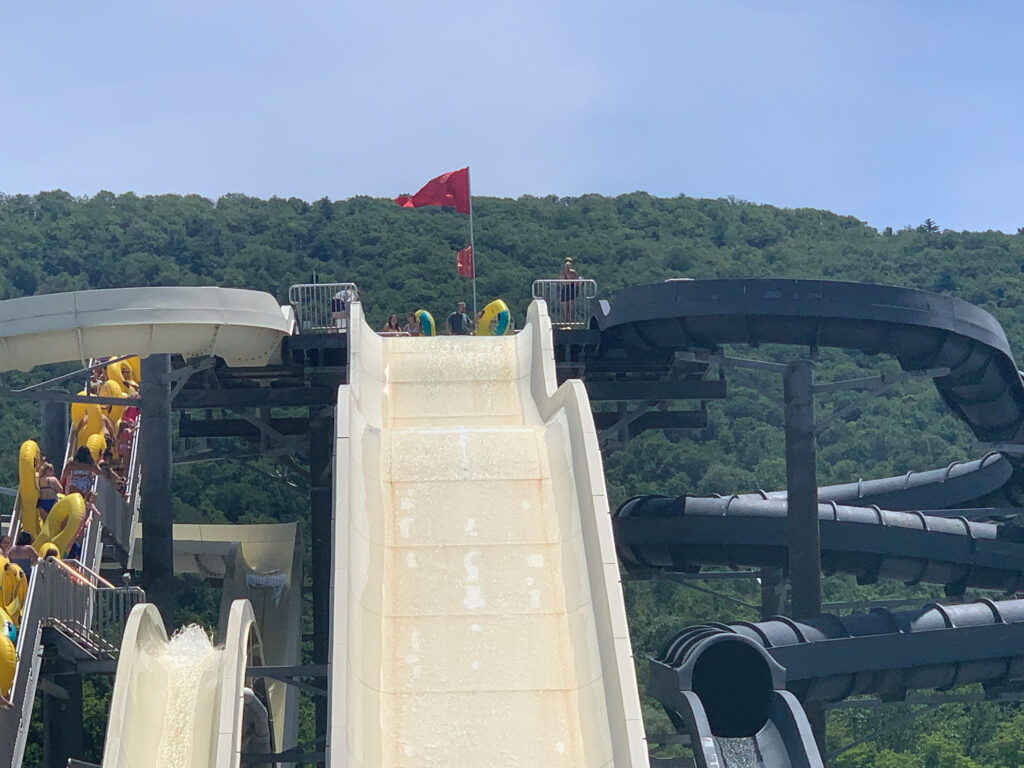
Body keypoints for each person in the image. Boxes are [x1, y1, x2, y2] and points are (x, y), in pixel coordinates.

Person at [68, 491, 100, 561]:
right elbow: (98, 513)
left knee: (77, 540)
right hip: (82, 521)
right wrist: (90, 517)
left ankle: (77, 555)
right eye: (94, 498)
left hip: (81, 521)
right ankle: (77, 556)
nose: (95, 500)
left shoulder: (84, 502)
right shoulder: (88, 504)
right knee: (79, 539)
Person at [560, 257, 580, 324]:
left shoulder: (562, 272)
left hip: (564, 288)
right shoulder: (573, 272)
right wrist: (577, 289)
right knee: (571, 307)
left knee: (565, 308)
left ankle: (564, 321)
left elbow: (561, 281)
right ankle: (572, 321)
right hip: (571, 288)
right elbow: (577, 282)